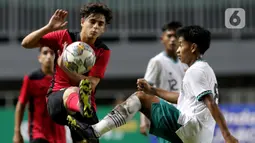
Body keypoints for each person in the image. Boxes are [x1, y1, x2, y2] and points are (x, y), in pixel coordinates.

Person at [67, 25, 239, 143]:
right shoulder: (205, 69)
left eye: (181, 45)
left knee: (141, 98)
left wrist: (227, 134)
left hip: (190, 127)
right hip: (201, 136)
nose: (178, 50)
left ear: (193, 47)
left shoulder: (195, 71)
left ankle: (94, 131)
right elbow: (183, 98)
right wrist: (154, 90)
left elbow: (210, 103)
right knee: (148, 95)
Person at [21, 2, 112, 143]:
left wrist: (64, 67)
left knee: (90, 139)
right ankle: (81, 106)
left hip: (84, 111)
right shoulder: (63, 36)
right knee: (75, 90)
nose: (95, 27)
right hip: (57, 101)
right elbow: (26, 43)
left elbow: (91, 84)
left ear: (104, 29)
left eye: (100, 24)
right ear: (82, 21)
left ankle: (82, 110)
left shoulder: (102, 51)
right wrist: (48, 28)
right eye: (92, 21)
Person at [140, 21, 186, 143]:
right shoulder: (157, 62)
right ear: (162, 39)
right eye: (169, 36)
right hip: (166, 117)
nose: (172, 40)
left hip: (185, 116)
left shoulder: (187, 62)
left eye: (175, 36)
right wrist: (143, 120)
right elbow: (145, 91)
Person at [13, 46, 66, 143]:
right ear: (39, 58)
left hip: (59, 136)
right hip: (38, 133)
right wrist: (17, 131)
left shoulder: (63, 79)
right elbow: (21, 105)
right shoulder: (31, 79)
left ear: (57, 56)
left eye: (52, 53)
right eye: (45, 53)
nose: (49, 56)